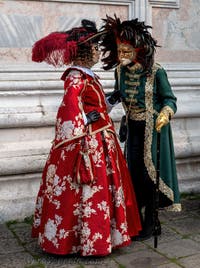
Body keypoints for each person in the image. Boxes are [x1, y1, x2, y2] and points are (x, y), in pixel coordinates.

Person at [31, 19, 141, 256]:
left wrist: (111, 100)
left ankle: (99, 236)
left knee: (102, 189)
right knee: (85, 189)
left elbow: (96, 107)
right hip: (87, 143)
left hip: (101, 138)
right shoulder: (75, 77)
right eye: (95, 48)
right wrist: (84, 121)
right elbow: (69, 110)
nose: (98, 52)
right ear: (84, 51)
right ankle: (81, 239)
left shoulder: (89, 76)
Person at [100, 15, 181, 241]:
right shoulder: (120, 71)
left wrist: (165, 113)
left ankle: (152, 221)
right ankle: (137, 220)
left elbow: (170, 99)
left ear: (138, 49)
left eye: (126, 50)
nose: (122, 55)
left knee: (149, 175)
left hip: (153, 130)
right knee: (133, 174)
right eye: (120, 50)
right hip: (132, 128)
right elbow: (118, 96)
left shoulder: (156, 71)